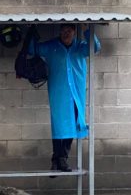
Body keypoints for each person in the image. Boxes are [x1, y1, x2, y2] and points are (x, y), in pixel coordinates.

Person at [29, 24, 101, 173]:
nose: (65, 34)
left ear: (74, 32)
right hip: (58, 93)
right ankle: (59, 159)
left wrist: (88, 29)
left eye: (69, 31)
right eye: (63, 31)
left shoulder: (80, 47)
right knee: (58, 124)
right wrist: (31, 31)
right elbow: (32, 49)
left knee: (74, 123)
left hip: (76, 93)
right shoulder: (52, 46)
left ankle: (60, 159)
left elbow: (95, 47)